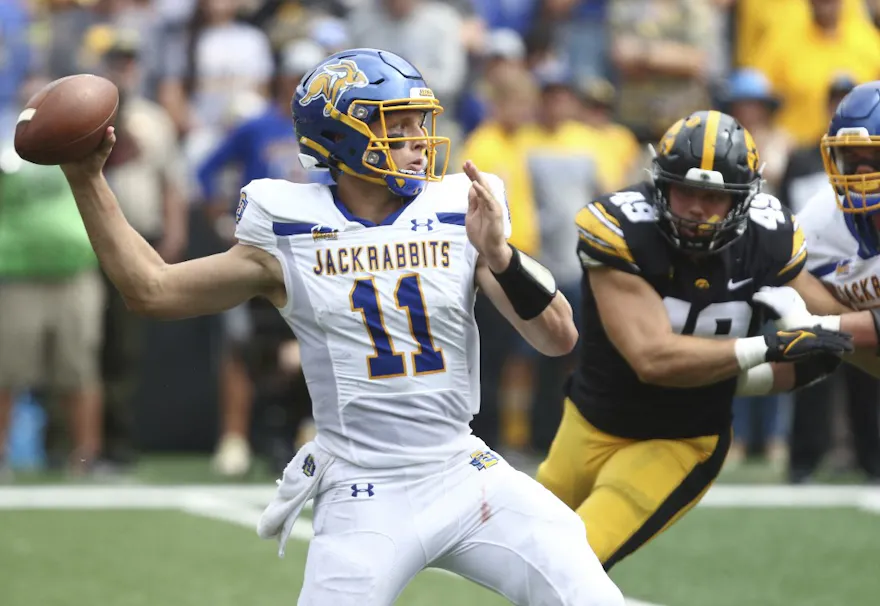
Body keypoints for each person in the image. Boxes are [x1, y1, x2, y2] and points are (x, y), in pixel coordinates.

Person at [59, 48, 623, 605]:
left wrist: (499, 254)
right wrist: (87, 181)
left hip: (461, 468)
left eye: (418, 122)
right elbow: (151, 289)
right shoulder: (288, 230)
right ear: (340, 137)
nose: (417, 142)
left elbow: (559, 338)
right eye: (394, 126)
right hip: (364, 484)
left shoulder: (459, 211)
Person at [535, 109, 857, 571]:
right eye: (685, 189)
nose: (696, 207)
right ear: (660, 184)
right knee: (515, 552)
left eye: (714, 196)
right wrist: (765, 348)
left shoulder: (769, 239)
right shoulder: (623, 227)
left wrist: (812, 353)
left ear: (743, 199)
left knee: (569, 564)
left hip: (679, 441)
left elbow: (835, 324)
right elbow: (652, 358)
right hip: (589, 423)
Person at [760, 80, 880, 481]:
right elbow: (791, 284)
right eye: (852, 159)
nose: (861, 173)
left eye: (873, 159)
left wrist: (821, 325)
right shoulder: (818, 220)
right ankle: (803, 461)